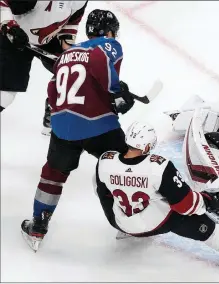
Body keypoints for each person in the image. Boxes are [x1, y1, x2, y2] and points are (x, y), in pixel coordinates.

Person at [94, 121, 219, 283]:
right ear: (147, 146)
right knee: (214, 232)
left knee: (120, 200)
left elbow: (101, 192)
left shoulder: (105, 160)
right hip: (156, 223)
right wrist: (207, 201)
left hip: (121, 221)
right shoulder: (158, 166)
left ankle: (129, 225)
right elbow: (186, 205)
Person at [21, 9, 136, 252]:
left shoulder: (65, 55)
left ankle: (38, 225)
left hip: (63, 126)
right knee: (125, 163)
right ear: (109, 31)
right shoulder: (108, 44)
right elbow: (100, 63)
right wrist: (117, 92)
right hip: (99, 123)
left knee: (53, 173)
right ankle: (130, 220)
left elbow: (53, 92)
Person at [0, 0, 88, 134]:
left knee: (74, 70)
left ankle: (53, 116)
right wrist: (10, 27)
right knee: (6, 96)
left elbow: (72, 21)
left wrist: (69, 54)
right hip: (14, 36)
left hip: (47, 39)